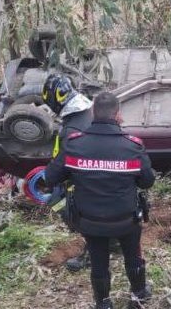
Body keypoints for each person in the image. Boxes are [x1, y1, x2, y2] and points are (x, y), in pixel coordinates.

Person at [45, 91, 156, 309]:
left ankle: (103, 303)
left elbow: (51, 178)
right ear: (118, 115)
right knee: (133, 255)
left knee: (98, 262)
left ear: (93, 112)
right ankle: (138, 295)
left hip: (90, 221)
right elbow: (147, 182)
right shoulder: (132, 146)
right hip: (126, 220)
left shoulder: (74, 144)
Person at [42, 73, 93, 271]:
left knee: (56, 200)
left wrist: (48, 176)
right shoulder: (87, 113)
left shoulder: (71, 130)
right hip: (107, 177)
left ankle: (94, 244)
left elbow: (56, 172)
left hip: (89, 186)